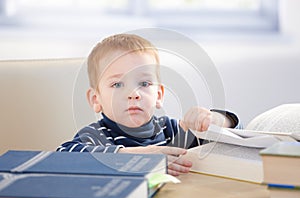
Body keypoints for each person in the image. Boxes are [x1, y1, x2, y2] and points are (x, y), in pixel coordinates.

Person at [57, 34, 241, 176]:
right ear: (96, 99)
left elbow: (235, 138)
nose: (133, 94)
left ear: (159, 95)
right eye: (117, 84)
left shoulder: (171, 130)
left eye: (144, 84)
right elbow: (62, 157)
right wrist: (137, 155)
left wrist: (213, 119)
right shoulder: (96, 135)